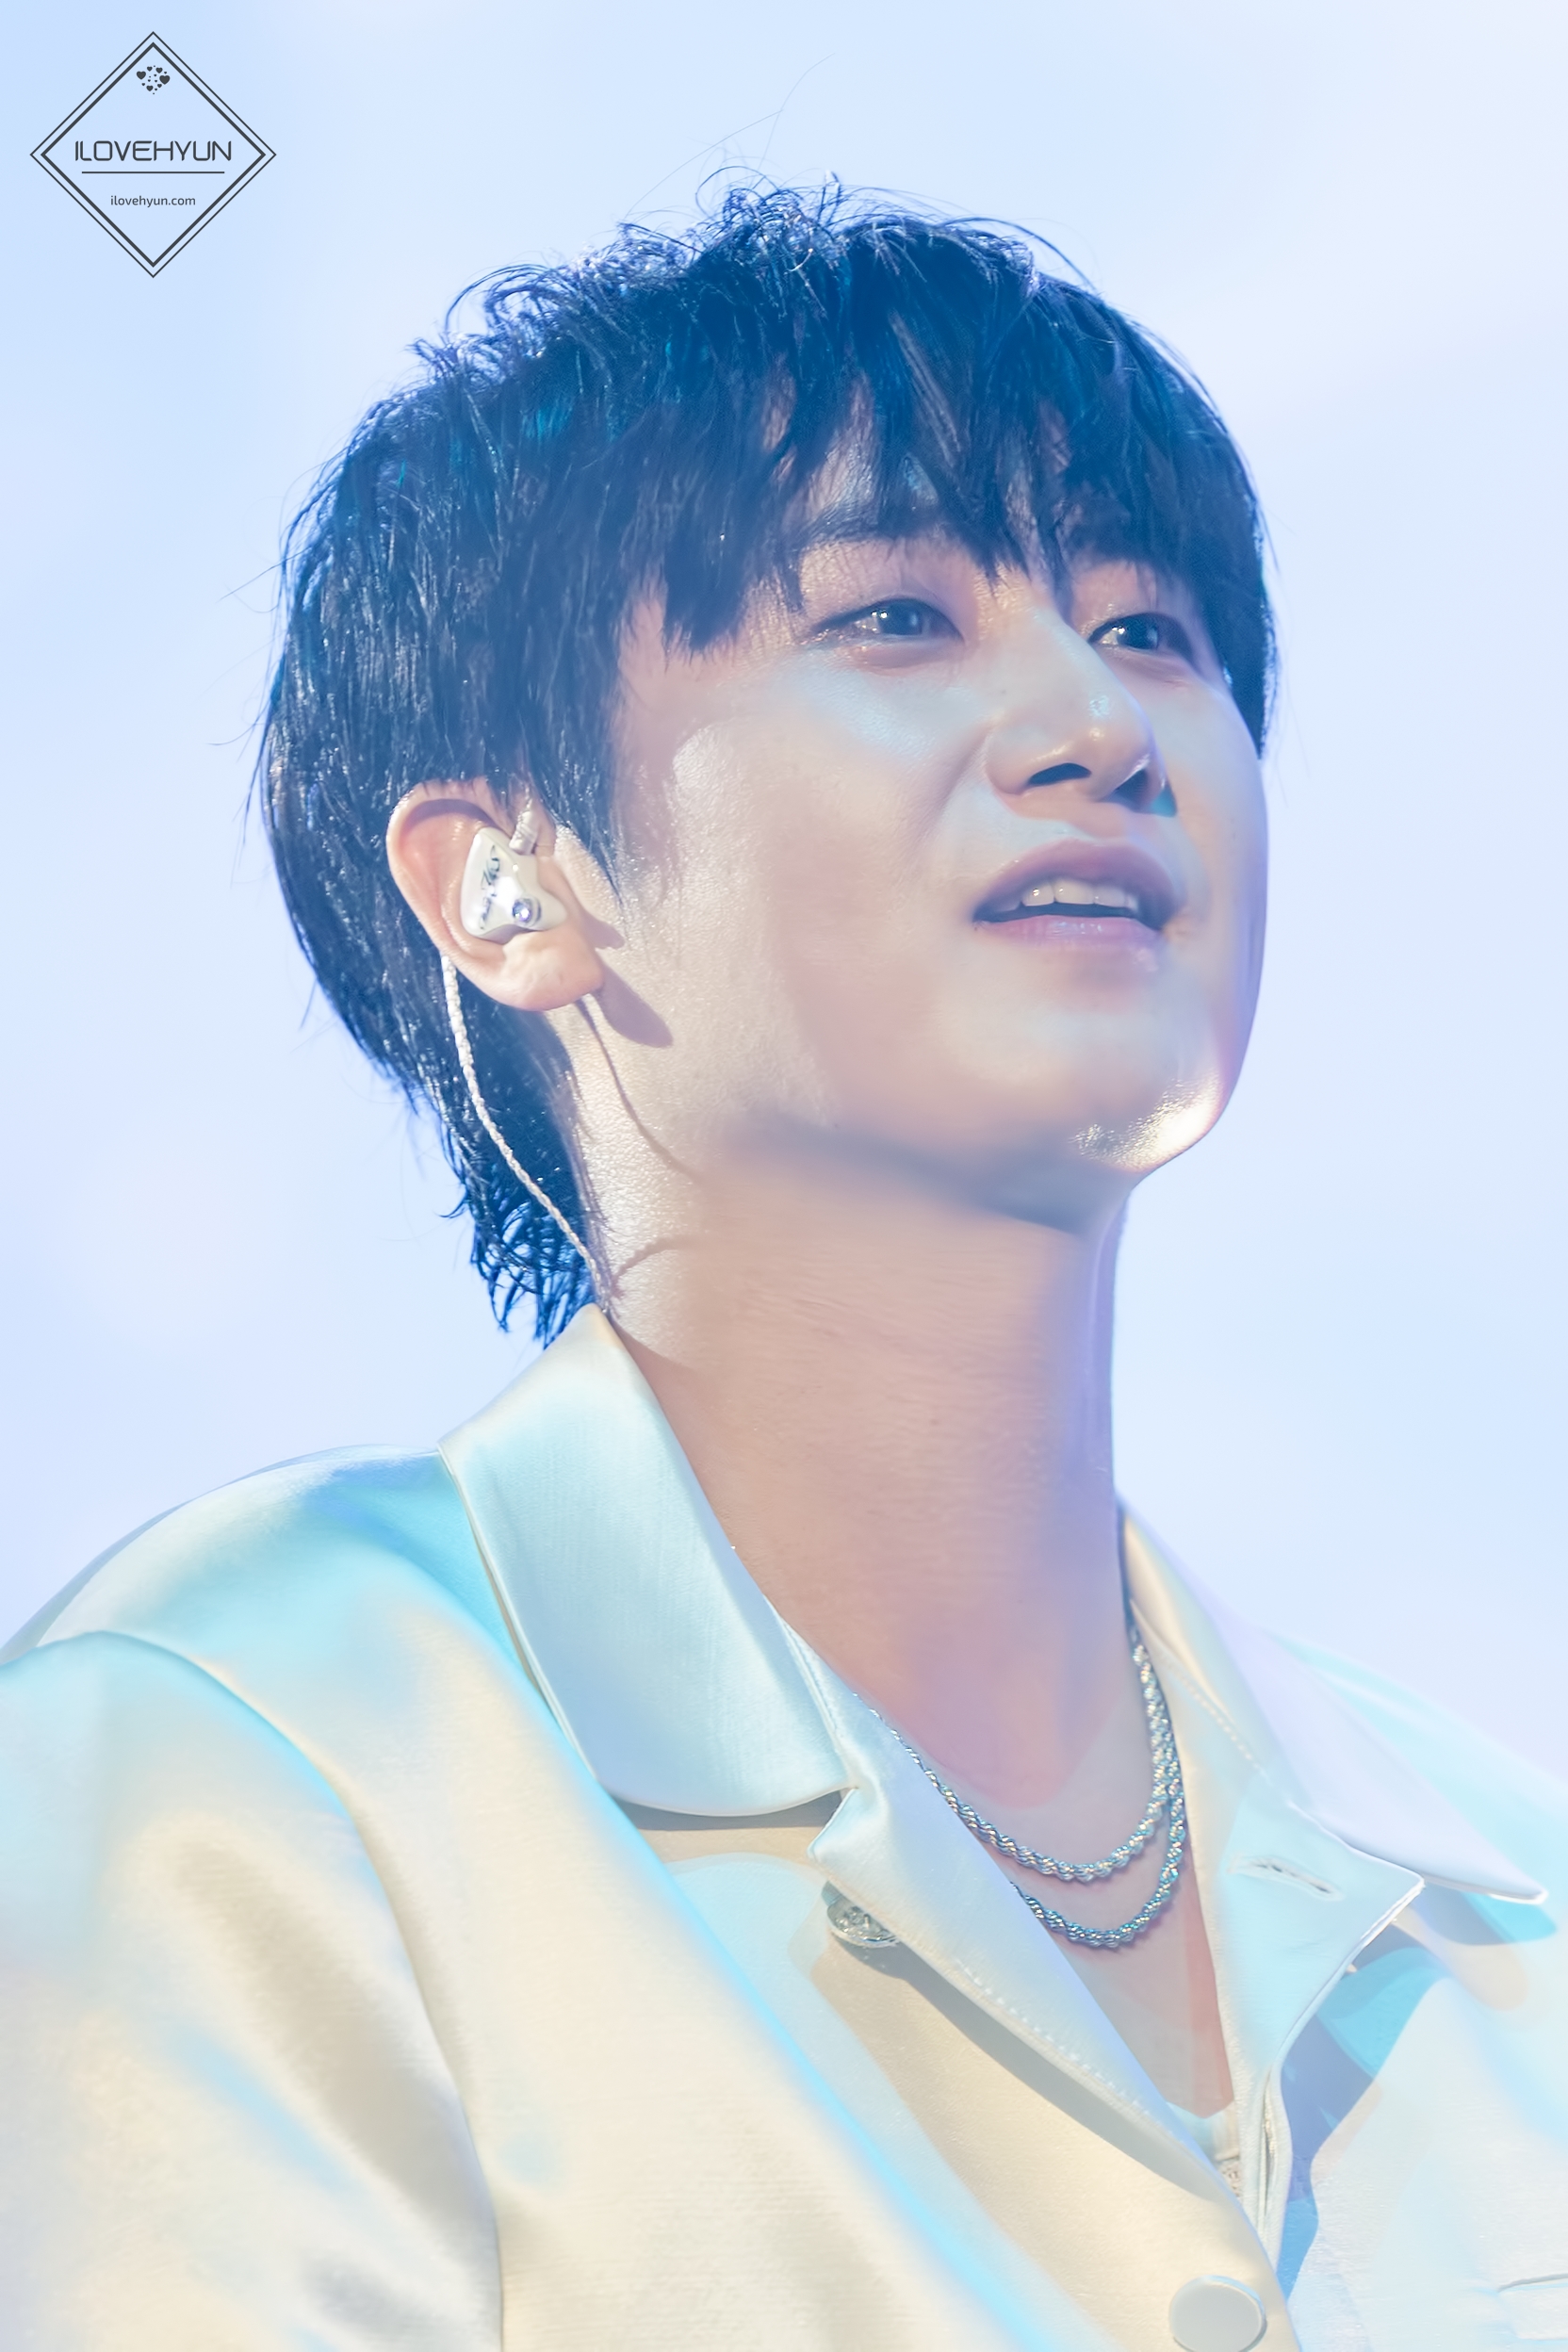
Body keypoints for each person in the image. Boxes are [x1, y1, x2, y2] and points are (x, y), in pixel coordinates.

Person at [2, 187, 1565, 2352]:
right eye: (897, 617)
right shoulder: (252, 1750)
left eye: (1152, 630)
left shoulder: (1502, 1908)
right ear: (509, 881)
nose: (1099, 724)